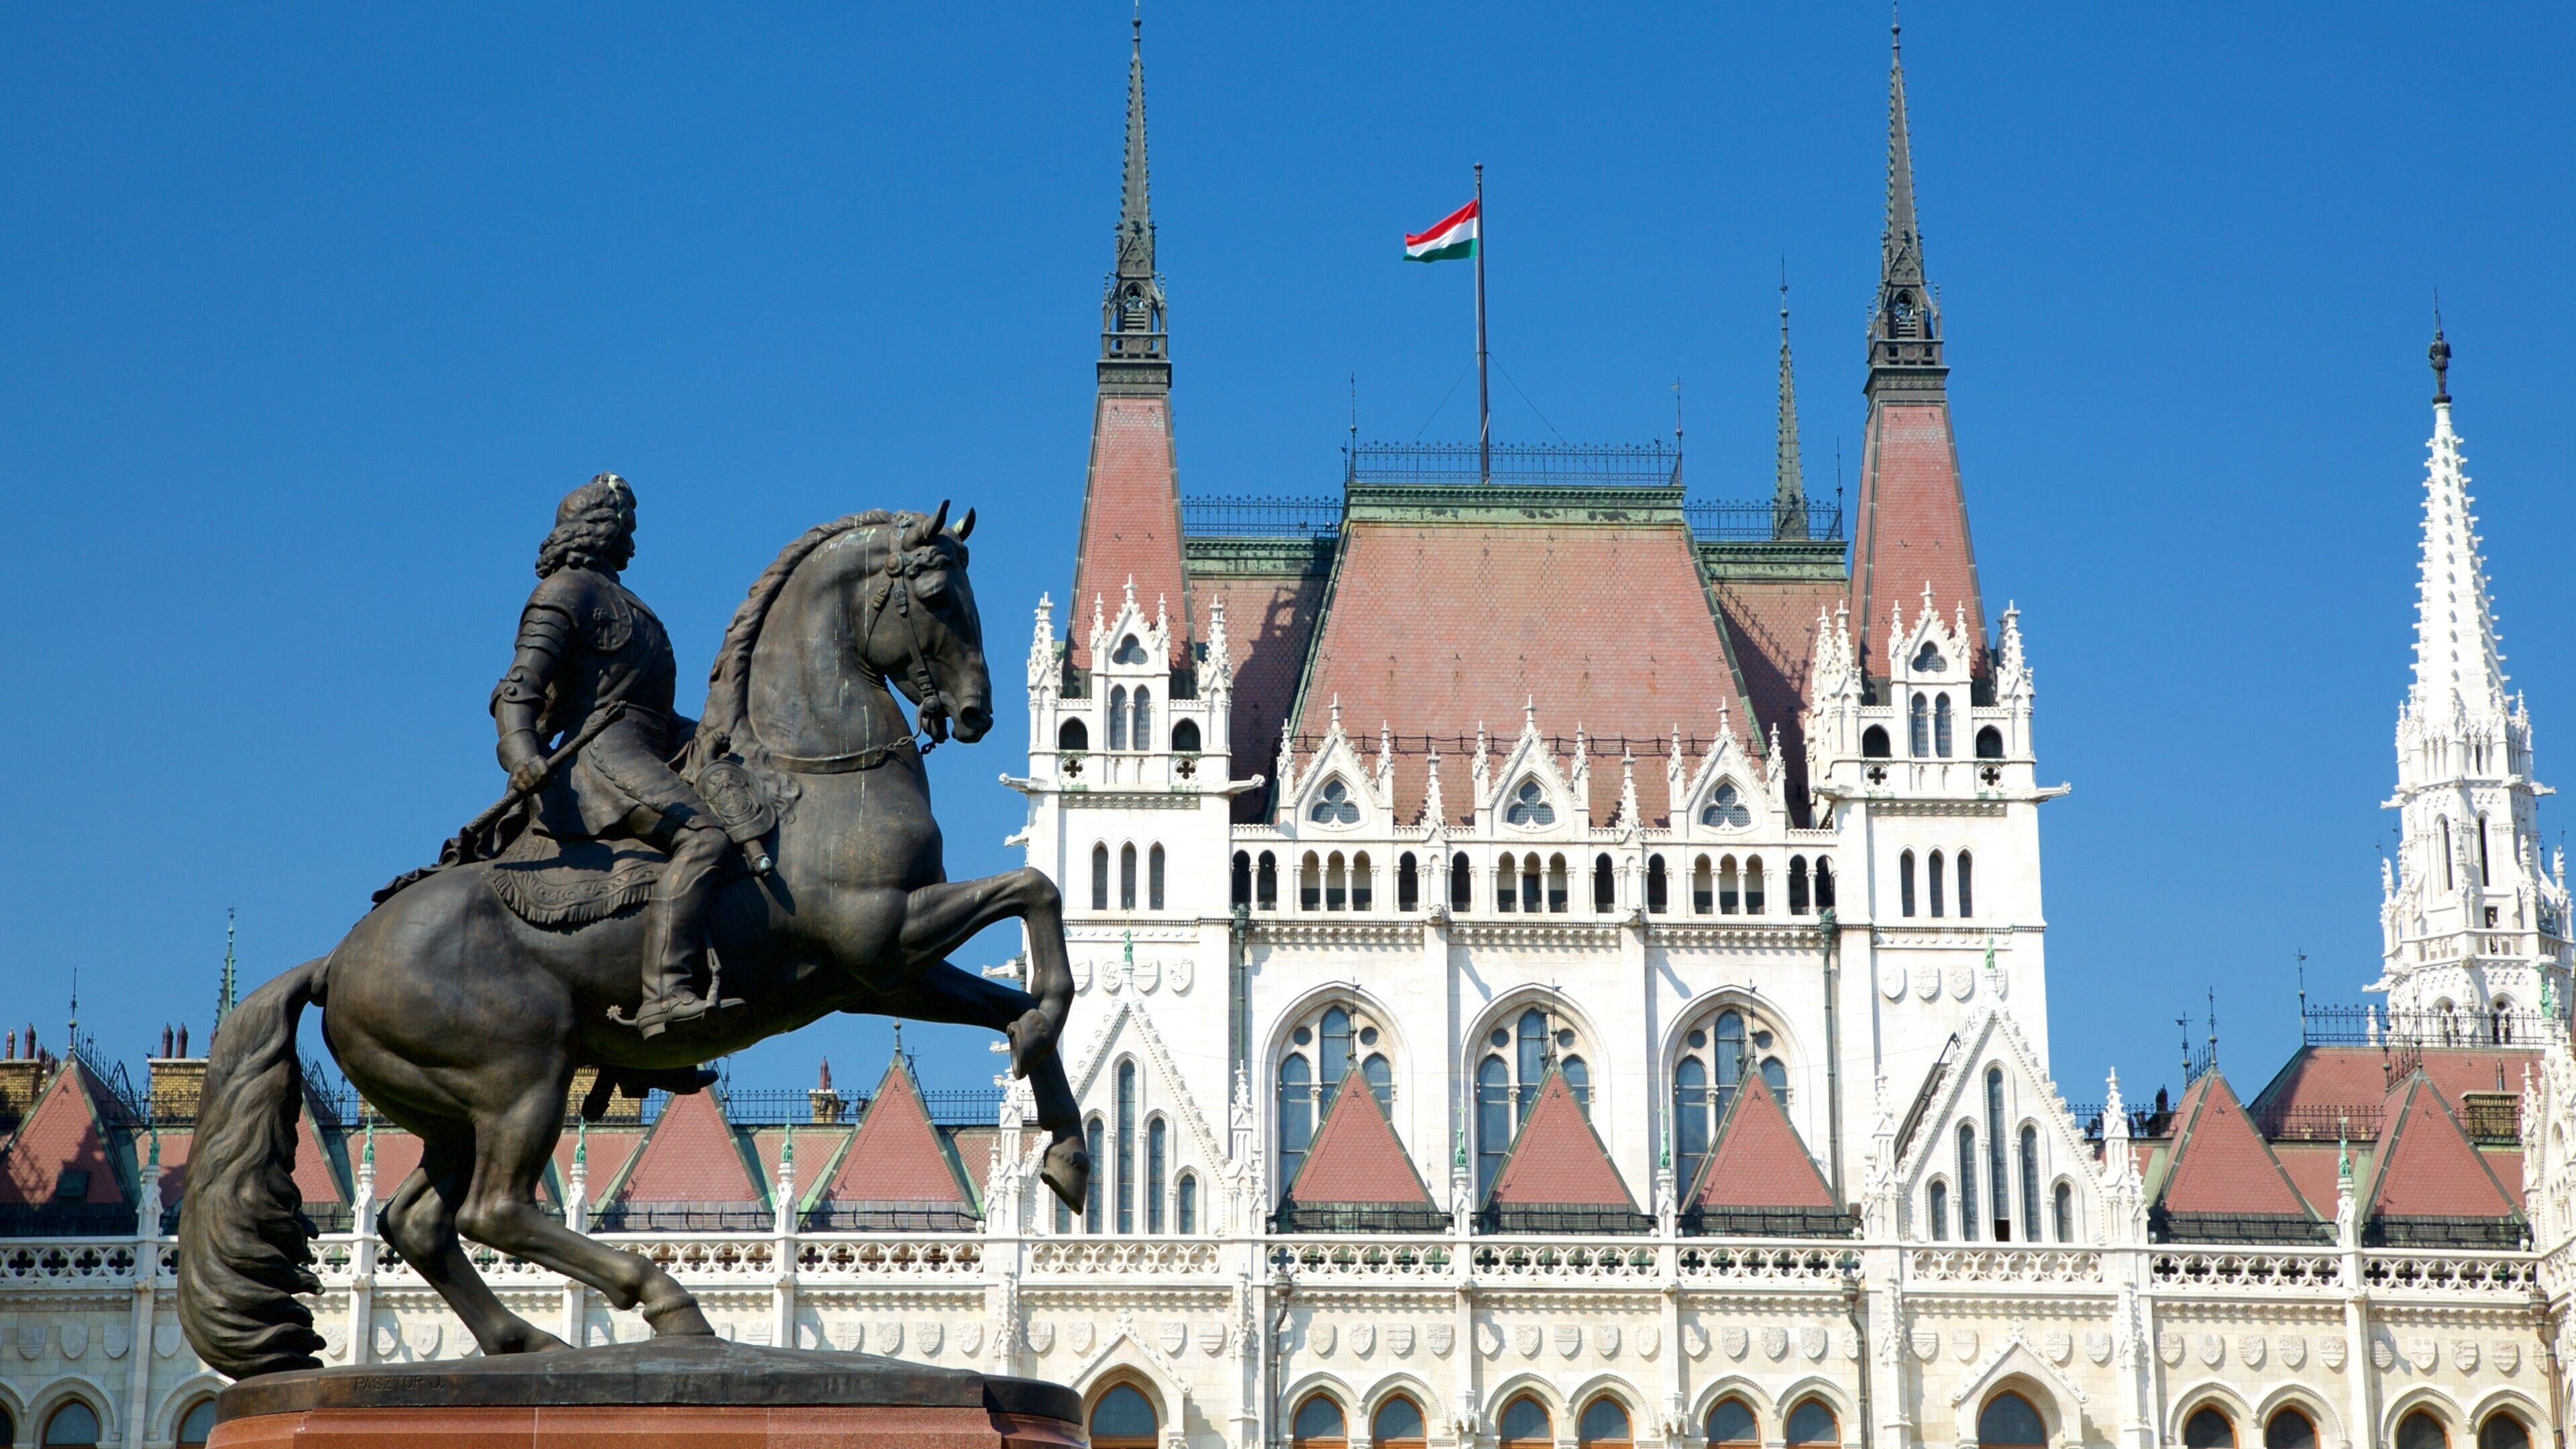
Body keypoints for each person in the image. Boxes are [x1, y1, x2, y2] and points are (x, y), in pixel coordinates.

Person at [492, 473, 736, 1038]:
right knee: (704, 835)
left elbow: (650, 705)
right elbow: (520, 687)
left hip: (656, 747)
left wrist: (709, 738)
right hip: (599, 758)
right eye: (624, 524)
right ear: (602, 528)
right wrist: (521, 750)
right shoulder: (565, 593)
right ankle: (666, 994)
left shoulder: (629, 602)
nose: (631, 535)